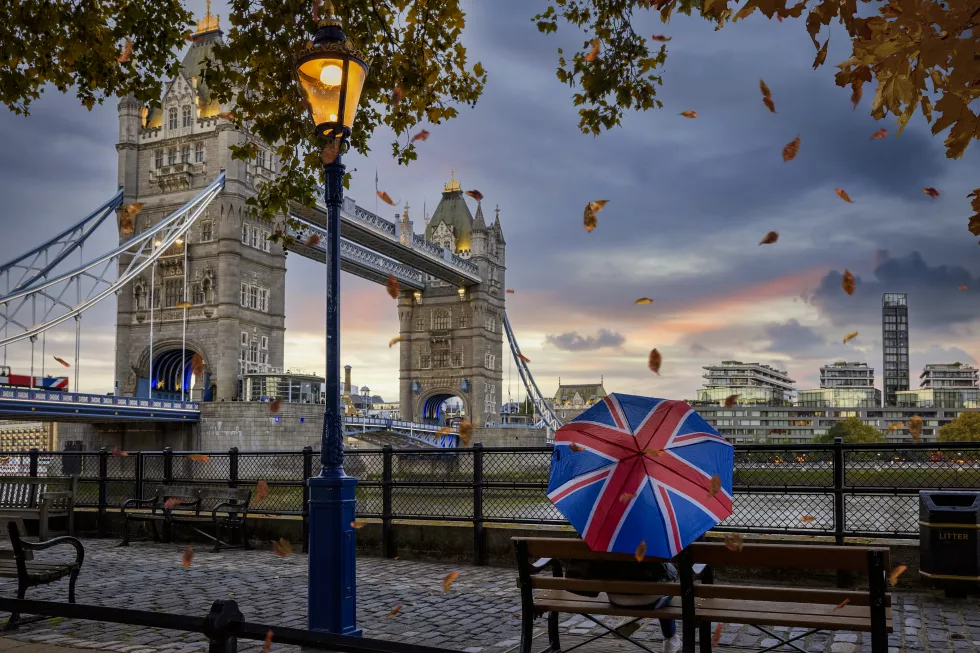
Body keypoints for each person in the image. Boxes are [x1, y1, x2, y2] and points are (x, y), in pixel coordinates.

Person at [564, 558, 681, 653]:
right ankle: (670, 639)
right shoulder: (655, 533)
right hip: (652, 598)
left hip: (617, 597)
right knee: (668, 584)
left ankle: (634, 618)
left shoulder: (607, 536)